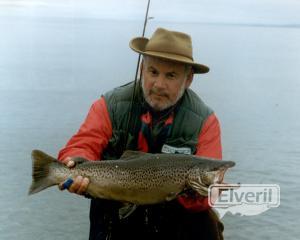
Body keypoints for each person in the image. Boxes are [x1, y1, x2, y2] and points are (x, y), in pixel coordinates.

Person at [58, 27, 224, 240]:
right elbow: (83, 143)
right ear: (141, 70)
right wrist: (75, 163)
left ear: (188, 79)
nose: (159, 84)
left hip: (176, 220)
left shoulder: (205, 122)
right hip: (114, 210)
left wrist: (192, 191)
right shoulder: (110, 105)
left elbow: (210, 192)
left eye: (171, 75)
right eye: (153, 72)